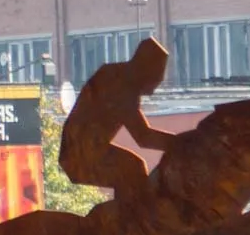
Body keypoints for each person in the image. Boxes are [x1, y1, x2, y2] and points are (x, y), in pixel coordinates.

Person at [58, 37, 175, 201]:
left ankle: (126, 215)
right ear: (146, 70)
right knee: (132, 169)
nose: (154, 89)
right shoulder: (123, 87)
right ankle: (127, 219)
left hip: (79, 148)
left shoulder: (114, 74)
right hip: (80, 153)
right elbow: (143, 137)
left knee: (130, 170)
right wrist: (182, 143)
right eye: (155, 81)